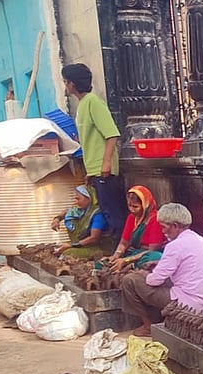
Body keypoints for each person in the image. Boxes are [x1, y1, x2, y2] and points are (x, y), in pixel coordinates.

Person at [120, 203, 203, 337]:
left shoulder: (175, 245)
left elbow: (154, 280)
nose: (162, 231)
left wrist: (144, 274)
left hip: (189, 303)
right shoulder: (200, 240)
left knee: (130, 280)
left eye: (163, 227)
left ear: (175, 226)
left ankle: (148, 326)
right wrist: (159, 264)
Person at [61, 63, 127, 237]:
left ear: (72, 84)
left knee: (113, 213)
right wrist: (90, 171)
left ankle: (119, 250)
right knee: (105, 210)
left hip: (104, 169)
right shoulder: (83, 105)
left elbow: (112, 134)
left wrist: (106, 163)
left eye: (66, 82)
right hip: (95, 169)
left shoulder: (94, 103)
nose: (65, 86)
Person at [107, 185, 165, 271]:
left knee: (154, 258)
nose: (131, 210)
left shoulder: (155, 220)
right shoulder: (131, 218)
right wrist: (116, 255)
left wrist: (126, 260)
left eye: (135, 207)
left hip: (146, 255)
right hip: (132, 253)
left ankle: (131, 266)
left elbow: (152, 250)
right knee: (103, 264)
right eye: (129, 206)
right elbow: (123, 243)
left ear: (145, 205)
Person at [50, 185, 109, 259]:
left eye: (78, 199)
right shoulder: (79, 210)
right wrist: (57, 219)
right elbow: (67, 211)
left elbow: (94, 238)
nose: (76, 202)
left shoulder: (97, 214)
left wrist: (72, 245)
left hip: (92, 248)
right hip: (79, 245)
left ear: (88, 199)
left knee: (67, 254)